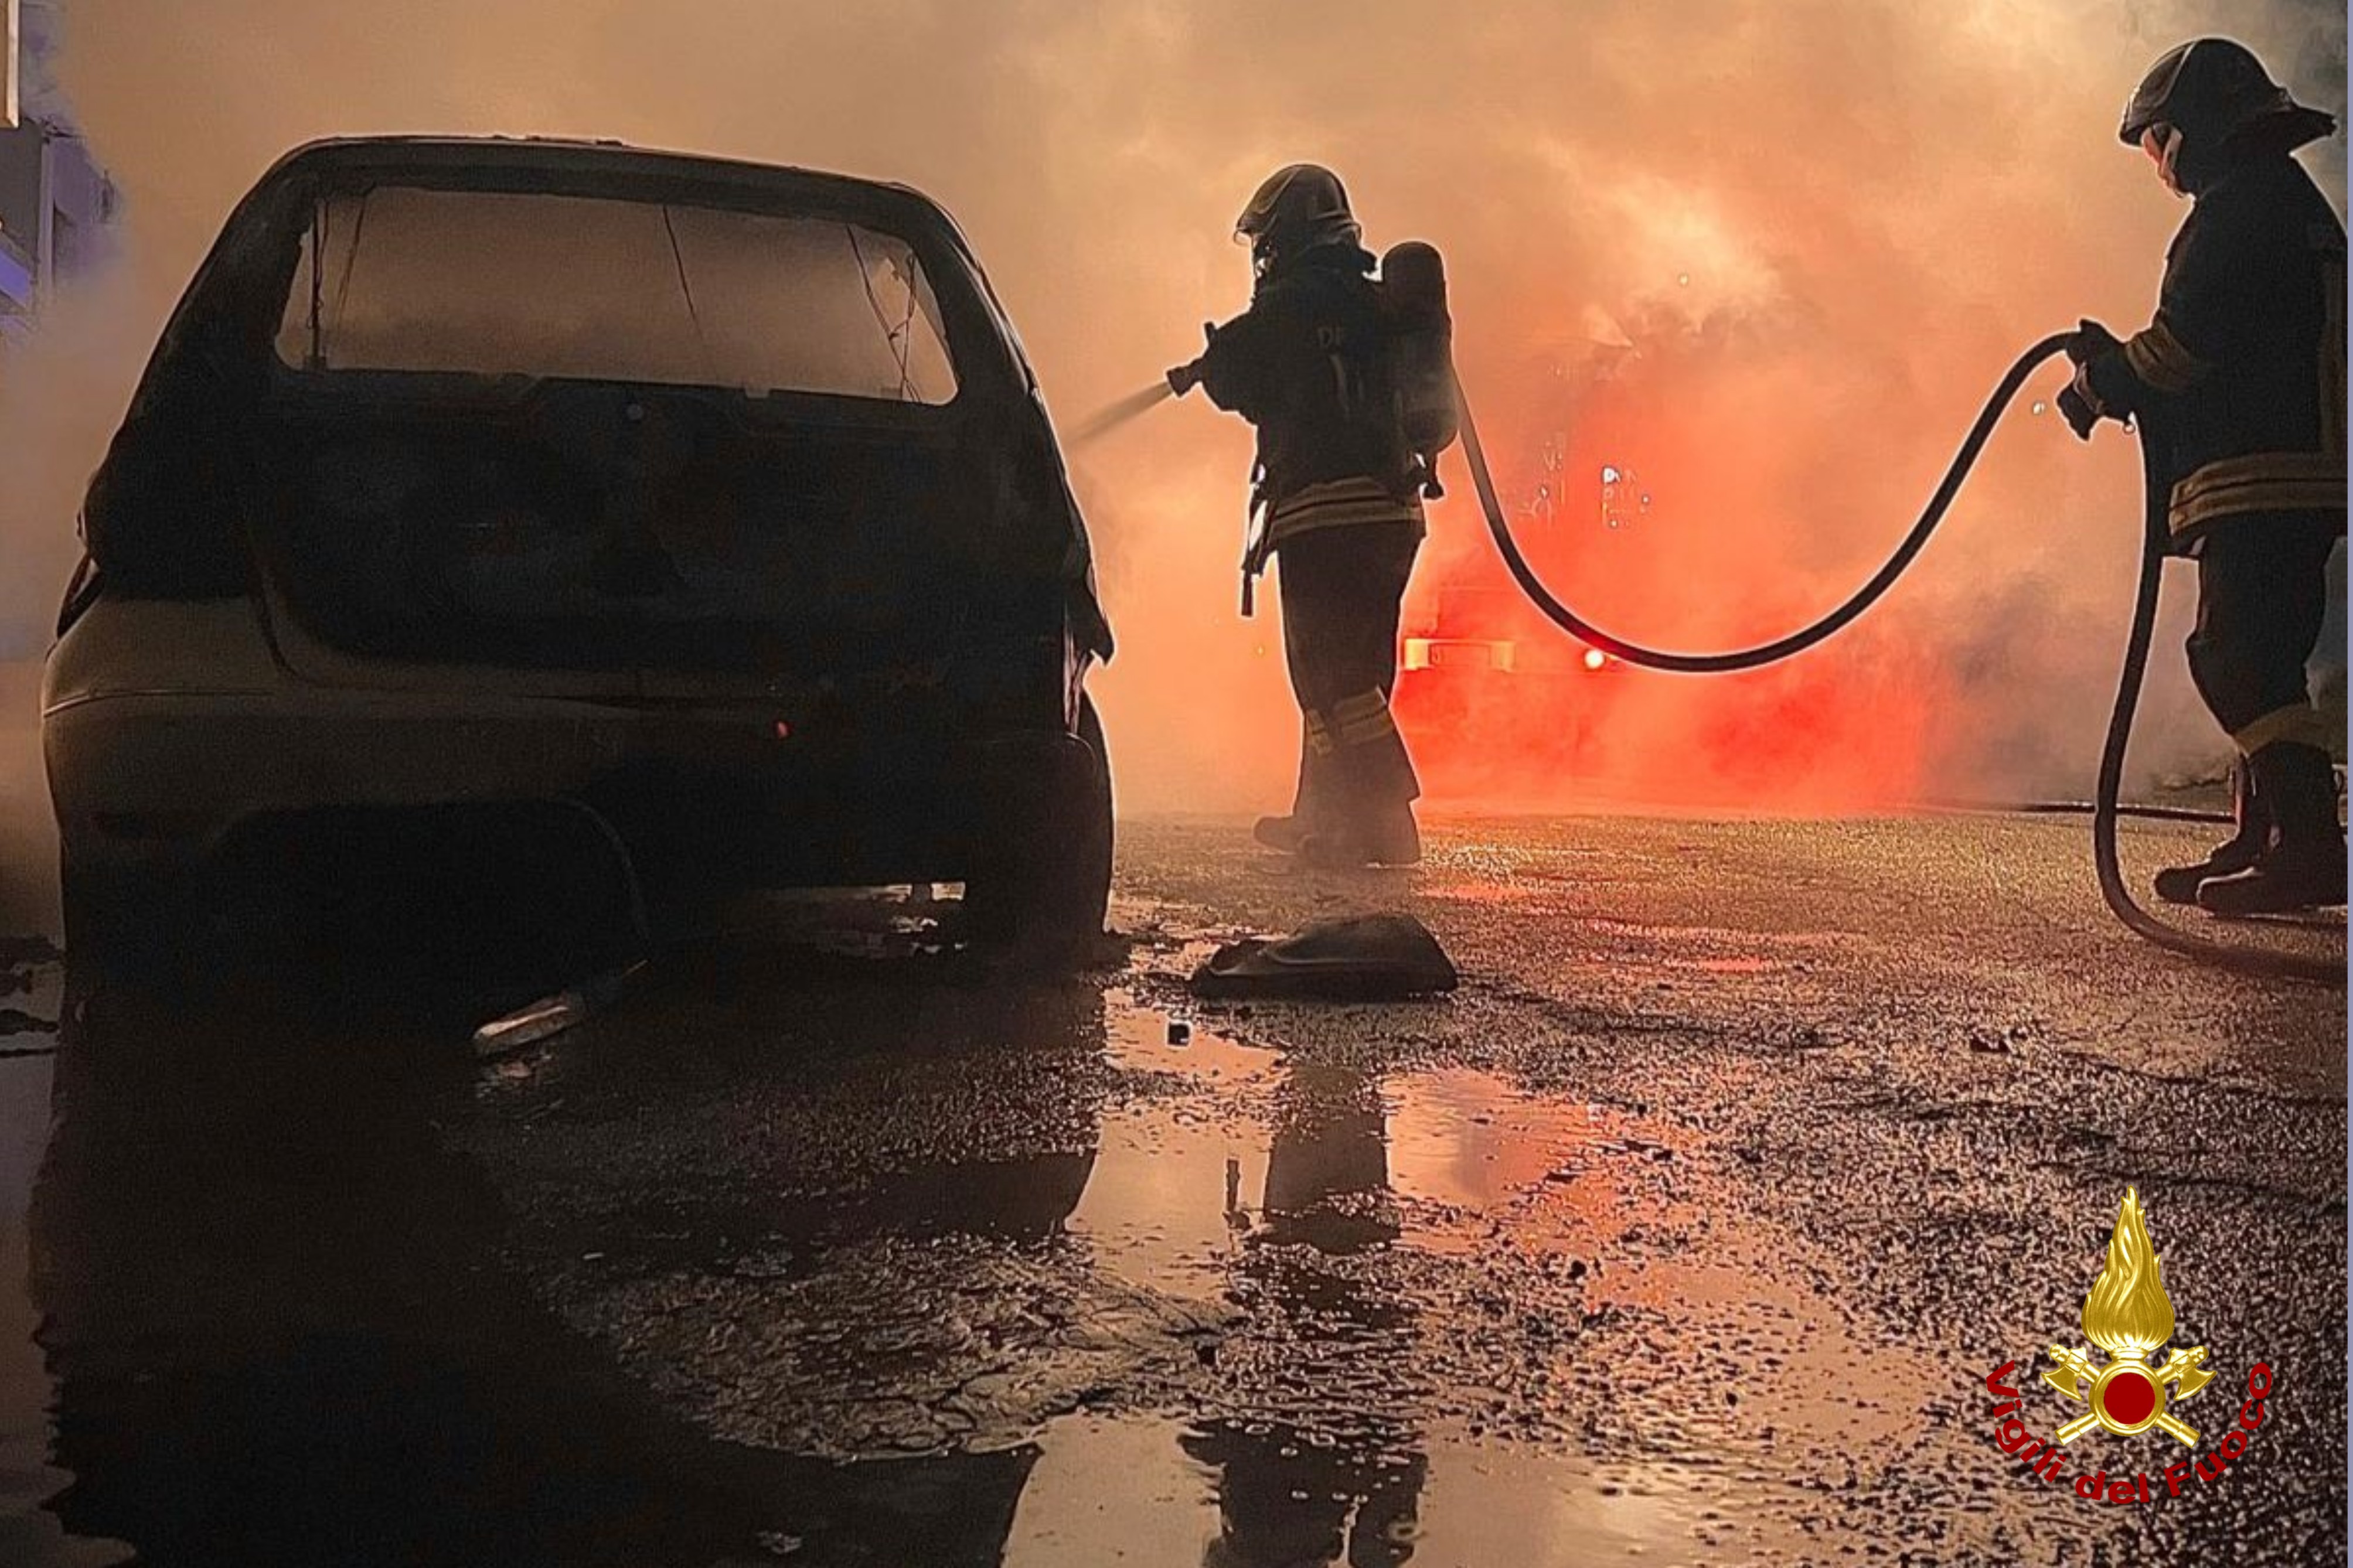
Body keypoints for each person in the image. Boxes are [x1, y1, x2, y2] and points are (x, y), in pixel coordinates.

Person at [2059, 38, 2347, 915]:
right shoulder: (2282, 204)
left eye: (2157, 140)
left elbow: (2180, 347)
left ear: (2191, 133)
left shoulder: (2237, 214)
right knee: (2261, 661)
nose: (2158, 160)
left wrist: (2101, 380)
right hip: (2291, 473)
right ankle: (2264, 839)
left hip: (2263, 475)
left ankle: (2304, 846)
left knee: (2234, 660)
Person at [1169, 165, 1428, 870]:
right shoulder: (1374, 303)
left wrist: (1209, 364)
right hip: (1392, 513)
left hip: (1323, 514)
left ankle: (1382, 823)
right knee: (1359, 674)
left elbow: (1238, 377)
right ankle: (1324, 816)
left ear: (1284, 235)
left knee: (1327, 679)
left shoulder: (1288, 304)